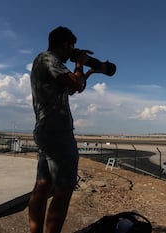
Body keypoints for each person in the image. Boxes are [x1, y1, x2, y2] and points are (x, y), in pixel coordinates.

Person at [28, 26, 100, 233]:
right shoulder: (48, 59)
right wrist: (79, 63)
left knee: (43, 184)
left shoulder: (46, 63)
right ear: (65, 44)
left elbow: (72, 87)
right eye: (72, 47)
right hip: (57, 132)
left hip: (46, 131)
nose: (72, 51)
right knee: (64, 189)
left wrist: (89, 71)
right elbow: (75, 84)